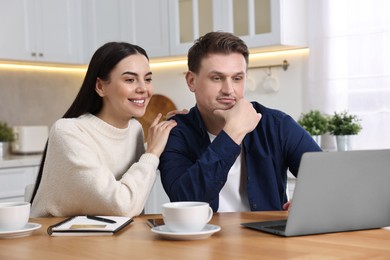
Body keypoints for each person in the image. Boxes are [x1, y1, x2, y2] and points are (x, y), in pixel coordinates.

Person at [159, 32, 322, 212]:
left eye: (237, 78)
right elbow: (186, 201)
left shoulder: (277, 125)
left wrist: (308, 202)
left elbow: (327, 178)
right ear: (191, 81)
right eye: (217, 78)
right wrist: (232, 133)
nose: (229, 90)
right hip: (202, 238)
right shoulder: (175, 132)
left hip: (267, 238)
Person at [30, 42, 177, 217]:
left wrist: (178, 127)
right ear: (100, 87)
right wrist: (152, 153)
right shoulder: (67, 131)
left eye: (148, 79)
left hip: (103, 239)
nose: (143, 89)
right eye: (130, 79)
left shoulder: (134, 129)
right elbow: (122, 206)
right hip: (51, 239)